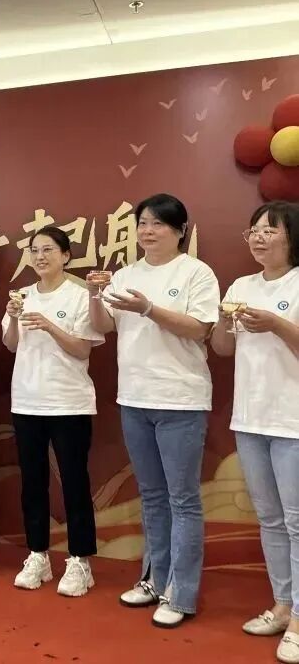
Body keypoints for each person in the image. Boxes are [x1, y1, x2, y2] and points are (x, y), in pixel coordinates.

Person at [87, 193, 220, 627]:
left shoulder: (196, 272)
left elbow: (200, 329)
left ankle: (181, 593)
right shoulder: (125, 274)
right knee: (152, 496)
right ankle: (154, 579)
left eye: (158, 223)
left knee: (183, 499)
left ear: (180, 231)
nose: (147, 231)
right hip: (134, 399)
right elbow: (104, 326)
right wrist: (94, 296)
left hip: (180, 399)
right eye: (142, 223)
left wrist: (148, 307)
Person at [211, 201, 299, 664]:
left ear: (292, 236)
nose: (259, 238)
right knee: (269, 519)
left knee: (297, 521)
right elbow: (223, 348)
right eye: (253, 231)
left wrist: (278, 324)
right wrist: (225, 322)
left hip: (292, 420)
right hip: (249, 418)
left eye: (270, 230)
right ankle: (283, 605)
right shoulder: (241, 286)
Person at [2, 226, 104, 597]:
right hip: (27, 401)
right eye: (34, 250)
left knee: (74, 482)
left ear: (65, 256)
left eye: (48, 250)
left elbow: (83, 349)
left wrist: (49, 325)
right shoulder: (22, 295)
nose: (40, 256)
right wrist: (14, 318)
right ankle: (37, 555)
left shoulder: (78, 296)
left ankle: (80, 561)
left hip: (68, 402)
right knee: (33, 482)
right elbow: (10, 344)